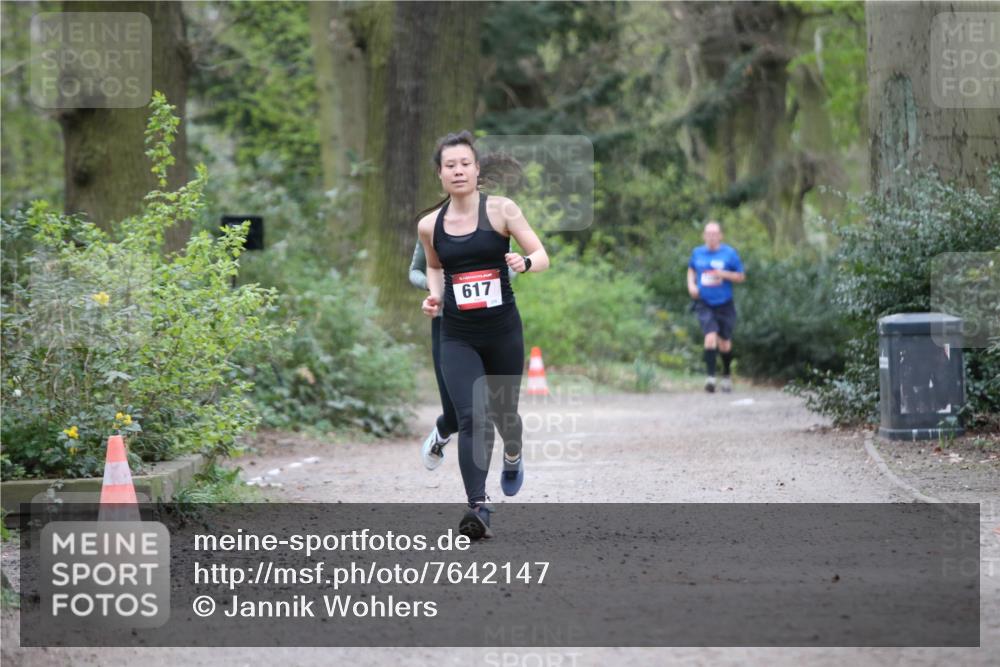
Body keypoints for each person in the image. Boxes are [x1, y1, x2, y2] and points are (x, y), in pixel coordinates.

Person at [417, 130, 549, 539]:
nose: (458, 171)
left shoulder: (503, 210)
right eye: (449, 166)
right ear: (439, 175)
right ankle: (478, 507)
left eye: (465, 164)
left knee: (505, 416)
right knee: (473, 417)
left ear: (477, 170)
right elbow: (435, 267)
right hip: (457, 334)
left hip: (502, 330)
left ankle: (513, 453)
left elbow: (542, 255)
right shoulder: (429, 225)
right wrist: (434, 297)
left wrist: (523, 263)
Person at [409, 239, 516, 470]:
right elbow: (415, 272)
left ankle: (481, 493)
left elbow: (510, 269)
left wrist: (489, 276)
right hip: (447, 325)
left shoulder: (494, 221)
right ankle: (441, 434)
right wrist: (436, 285)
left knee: (487, 411)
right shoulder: (432, 225)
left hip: (491, 322)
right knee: (456, 416)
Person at [686, 221, 745, 393]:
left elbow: (741, 276)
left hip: (725, 302)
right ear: (704, 236)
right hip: (704, 302)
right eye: (708, 234)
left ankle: (726, 376)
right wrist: (691, 286)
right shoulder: (697, 253)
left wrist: (723, 274)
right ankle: (710, 378)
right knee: (710, 336)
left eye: (715, 234)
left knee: (725, 343)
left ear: (720, 236)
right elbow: (691, 270)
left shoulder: (729, 253)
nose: (711, 237)